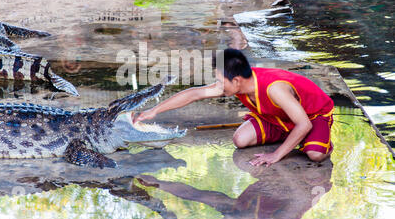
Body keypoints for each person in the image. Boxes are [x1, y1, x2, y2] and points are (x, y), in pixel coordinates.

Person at [133, 48, 335, 166]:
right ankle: (289, 136)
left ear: (236, 81)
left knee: (315, 155)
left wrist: (276, 155)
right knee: (240, 139)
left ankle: (319, 140)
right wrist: (154, 111)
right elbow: (194, 93)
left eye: (221, 81)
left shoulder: (275, 89)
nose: (218, 85)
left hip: (311, 117)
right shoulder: (240, 84)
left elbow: (304, 124)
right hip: (278, 117)